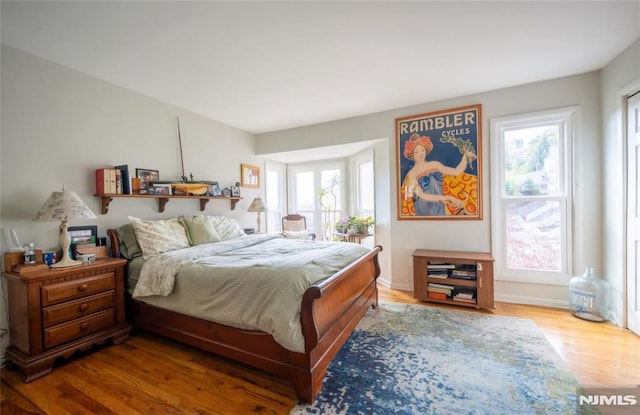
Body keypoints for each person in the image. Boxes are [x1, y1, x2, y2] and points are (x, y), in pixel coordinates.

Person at [401, 133, 476, 216]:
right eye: (416, 151)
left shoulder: (435, 164)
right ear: (412, 155)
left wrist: (465, 158)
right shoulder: (412, 174)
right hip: (424, 208)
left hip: (440, 205)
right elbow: (422, 195)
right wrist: (447, 198)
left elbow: (456, 172)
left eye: (422, 150)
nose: (421, 153)